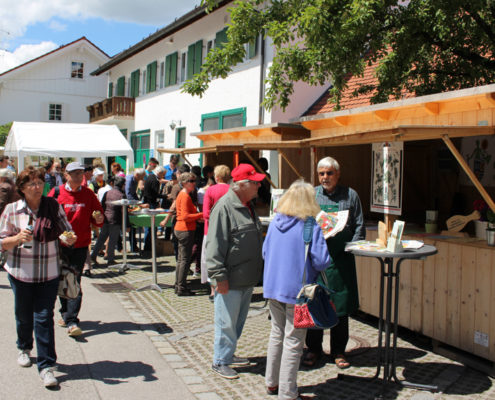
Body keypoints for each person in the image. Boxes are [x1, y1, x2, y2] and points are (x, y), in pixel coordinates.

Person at [0, 166, 76, 387]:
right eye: (32, 183)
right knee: (23, 316)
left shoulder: (52, 206)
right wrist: (17, 239)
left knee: (43, 318)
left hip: (48, 273)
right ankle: (24, 347)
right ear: (22, 188)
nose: (37, 187)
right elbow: (2, 241)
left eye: (40, 182)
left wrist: (68, 238)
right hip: (21, 273)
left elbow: (66, 229)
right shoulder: (12, 210)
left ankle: (46, 366)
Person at [262, 180, 331, 400]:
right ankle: (288, 393)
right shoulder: (310, 225)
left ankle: (271, 383)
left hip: (273, 288)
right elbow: (321, 261)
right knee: (293, 341)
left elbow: (265, 252)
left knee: (276, 335)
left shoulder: (274, 222)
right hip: (298, 294)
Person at [303, 156, 366, 369]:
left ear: (337, 174)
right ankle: (313, 349)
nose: (325, 177)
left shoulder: (351, 195)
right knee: (316, 303)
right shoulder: (312, 195)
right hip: (317, 261)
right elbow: (304, 223)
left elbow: (359, 225)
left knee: (341, 308)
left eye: (329, 173)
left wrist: (352, 246)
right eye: (321, 173)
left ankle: (339, 351)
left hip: (341, 261)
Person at [205, 163, 265, 379]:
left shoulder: (247, 205)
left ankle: (228, 354)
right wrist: (218, 277)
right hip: (230, 279)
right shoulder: (224, 208)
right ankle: (220, 360)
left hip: (246, 278)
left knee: (237, 322)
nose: (259, 186)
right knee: (226, 322)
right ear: (242, 185)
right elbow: (214, 246)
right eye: (255, 182)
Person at [48, 161, 104, 337]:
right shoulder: (56, 193)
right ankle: (65, 313)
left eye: (81, 173)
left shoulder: (89, 194)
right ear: (66, 176)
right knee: (62, 280)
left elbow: (98, 220)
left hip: (80, 246)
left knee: (74, 281)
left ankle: (72, 320)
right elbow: (46, 220)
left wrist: (99, 217)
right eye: (74, 174)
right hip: (60, 246)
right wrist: (58, 235)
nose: (78, 177)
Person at [201, 165, 231, 301]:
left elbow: (206, 213)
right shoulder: (233, 190)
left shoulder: (211, 191)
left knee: (210, 259)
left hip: (211, 230)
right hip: (229, 230)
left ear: (216, 176)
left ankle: (213, 290)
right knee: (226, 259)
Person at [174, 172, 203, 296]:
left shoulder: (183, 194)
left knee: (182, 260)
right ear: (184, 183)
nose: (194, 183)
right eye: (191, 181)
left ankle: (179, 285)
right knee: (184, 260)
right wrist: (201, 215)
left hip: (182, 228)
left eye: (194, 181)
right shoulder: (185, 196)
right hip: (185, 229)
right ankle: (181, 287)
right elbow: (185, 216)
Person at [91, 176, 126, 267]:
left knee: (101, 238)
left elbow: (102, 205)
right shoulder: (121, 195)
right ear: (122, 185)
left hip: (106, 218)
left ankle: (93, 255)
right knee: (112, 239)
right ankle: (110, 259)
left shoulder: (108, 192)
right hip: (115, 219)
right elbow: (123, 210)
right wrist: (126, 224)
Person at [142, 165, 167, 252]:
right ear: (159, 173)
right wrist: (165, 196)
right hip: (151, 203)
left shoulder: (150, 177)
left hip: (147, 202)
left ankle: (147, 246)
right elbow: (155, 194)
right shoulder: (155, 180)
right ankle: (149, 247)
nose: (163, 177)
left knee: (148, 226)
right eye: (163, 174)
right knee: (151, 226)